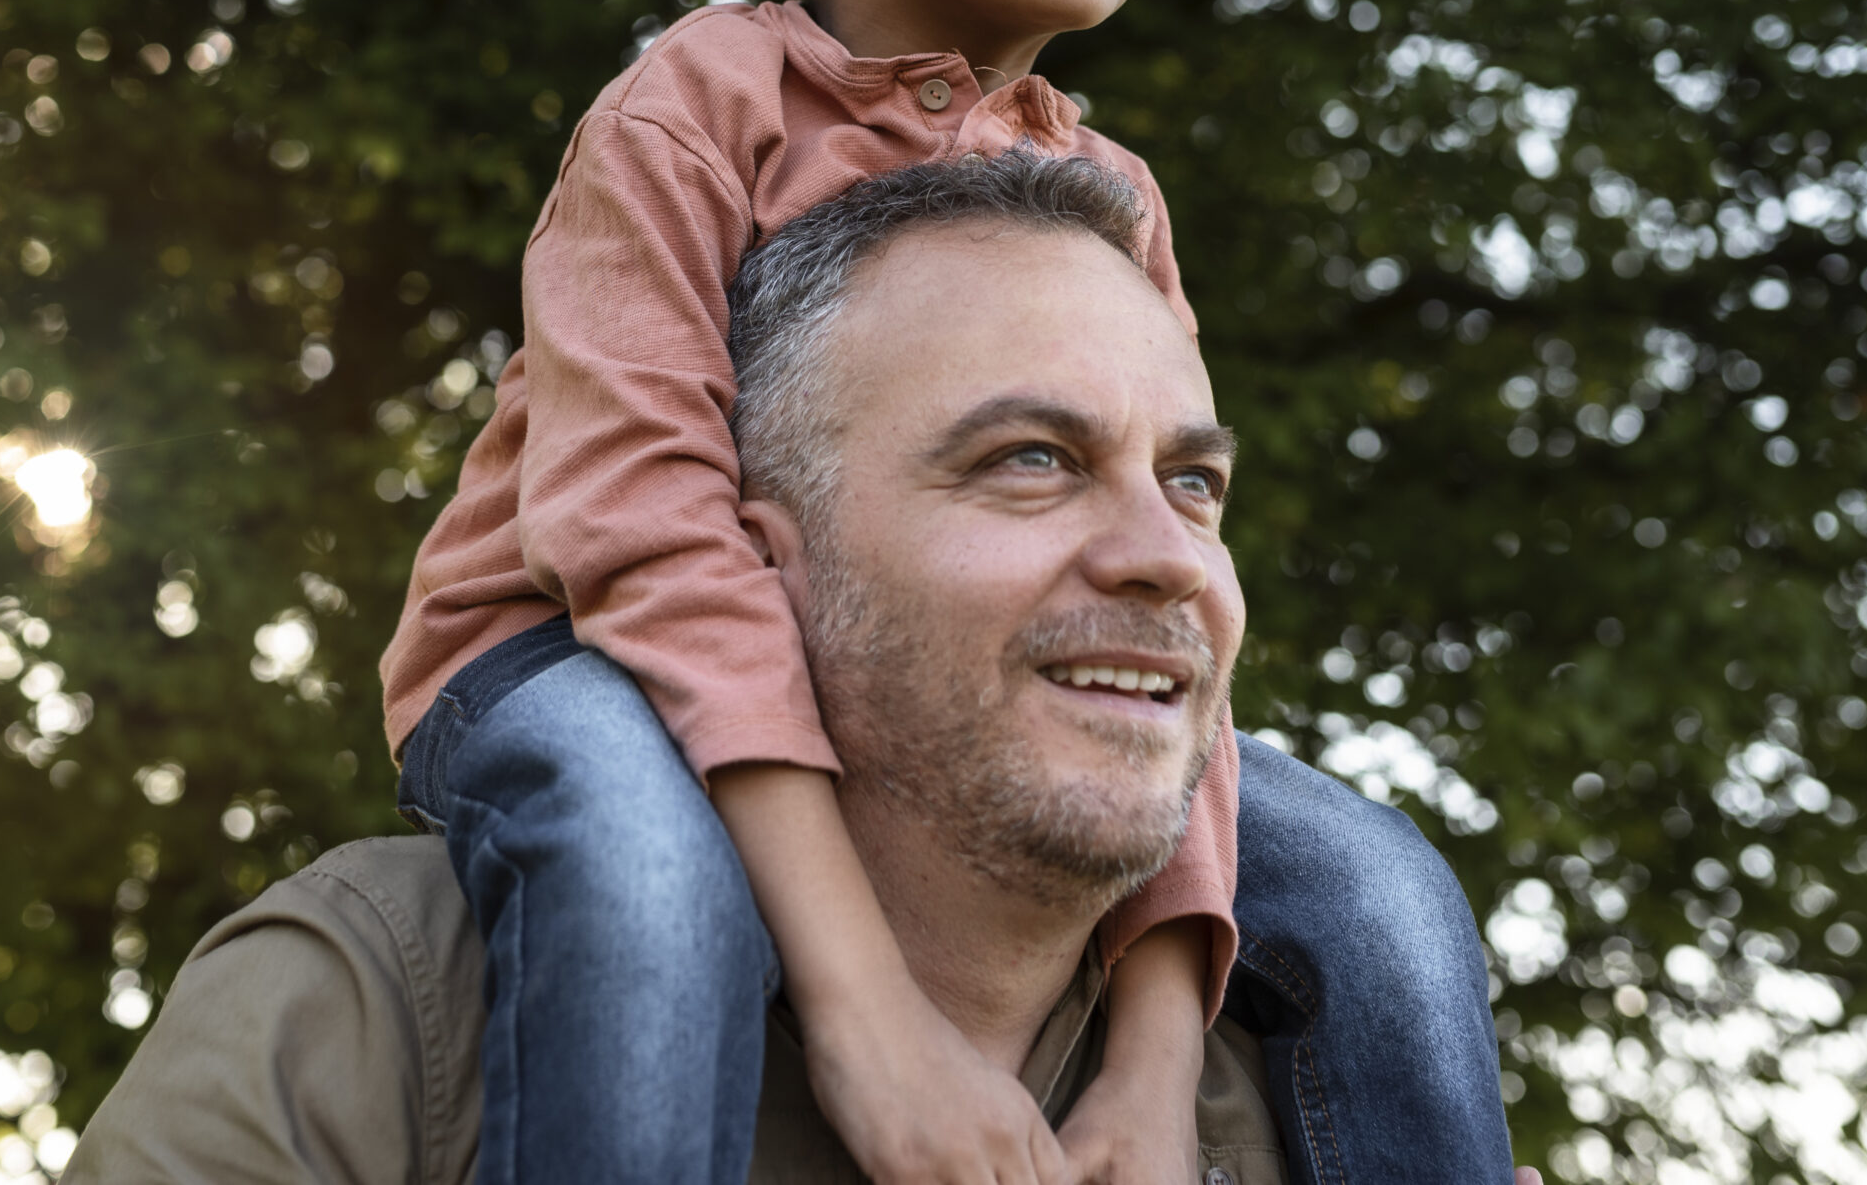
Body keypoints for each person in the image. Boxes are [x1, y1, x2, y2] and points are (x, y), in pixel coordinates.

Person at [374, 0, 1514, 1185]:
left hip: (928, 684)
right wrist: (869, 1014)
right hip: (575, 657)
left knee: (1383, 890)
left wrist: (1150, 1070)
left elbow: (1171, 600)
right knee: (640, 870)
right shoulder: (697, 108)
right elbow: (641, 525)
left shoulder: (1109, 202)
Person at [74, 155, 1523, 1185]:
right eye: (1032, 458)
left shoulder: (1322, 1100)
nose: (1169, 557)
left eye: (1196, 485)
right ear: (761, 571)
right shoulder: (389, 1016)